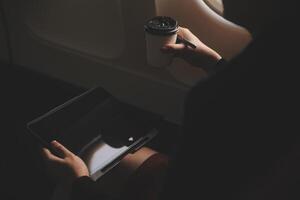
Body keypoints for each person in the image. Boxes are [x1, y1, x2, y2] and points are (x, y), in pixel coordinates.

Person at [42, 0, 300, 199]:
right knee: (123, 158)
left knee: (77, 168)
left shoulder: (216, 100)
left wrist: (78, 183)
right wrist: (213, 61)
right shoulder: (280, 59)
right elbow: (261, 103)